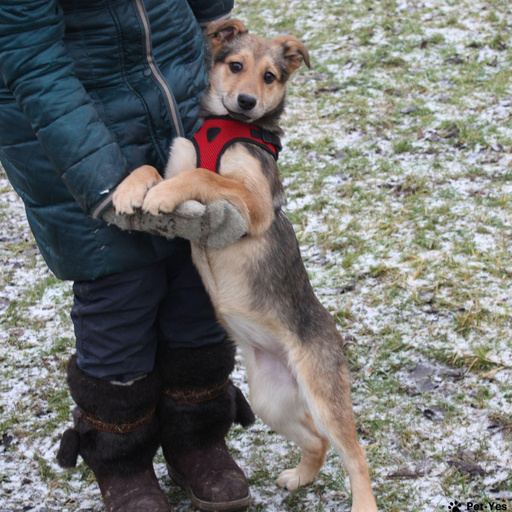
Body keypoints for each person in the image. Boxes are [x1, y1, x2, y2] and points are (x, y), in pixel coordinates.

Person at [0, 1, 255, 511]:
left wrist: (226, 62)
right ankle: (123, 460)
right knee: (120, 293)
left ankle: (197, 435)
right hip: (72, 128)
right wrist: (103, 181)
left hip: (177, 92)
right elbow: (33, 61)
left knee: (197, 277)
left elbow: (208, 13)